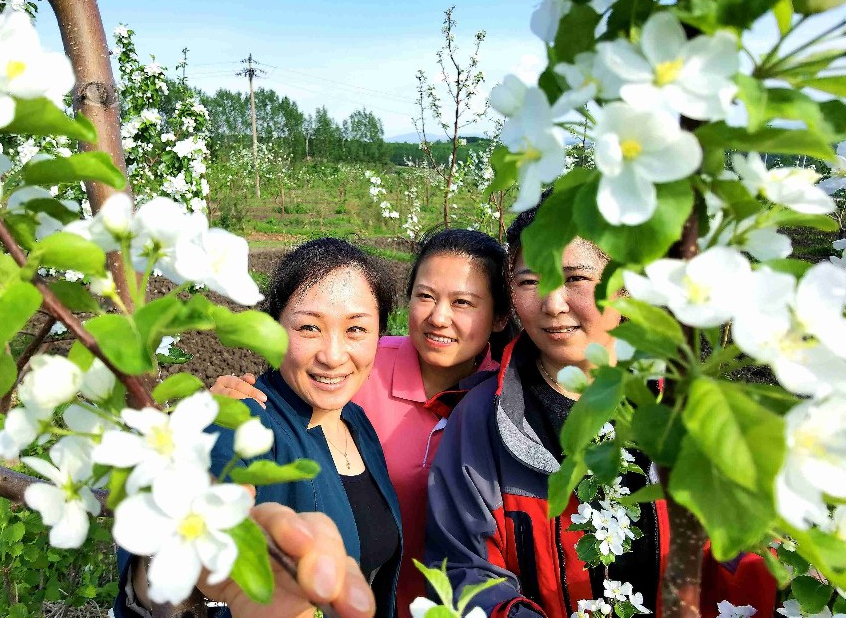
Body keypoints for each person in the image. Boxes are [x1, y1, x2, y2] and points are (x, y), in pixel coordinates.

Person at [423, 199, 776, 618]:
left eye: (575, 277)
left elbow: (745, 552)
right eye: (530, 281)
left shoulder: (690, 407)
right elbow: (465, 570)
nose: (552, 304)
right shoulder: (481, 420)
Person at [213, 229, 510, 617]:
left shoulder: (505, 400)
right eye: (425, 296)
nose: (440, 317)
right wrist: (217, 412)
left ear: (500, 316)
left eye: (463, 302)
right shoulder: (360, 373)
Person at [115, 238, 403, 618]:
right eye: (309, 328)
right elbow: (171, 571)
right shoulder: (240, 421)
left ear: (380, 334)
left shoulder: (357, 424)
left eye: (356, 330)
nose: (333, 355)